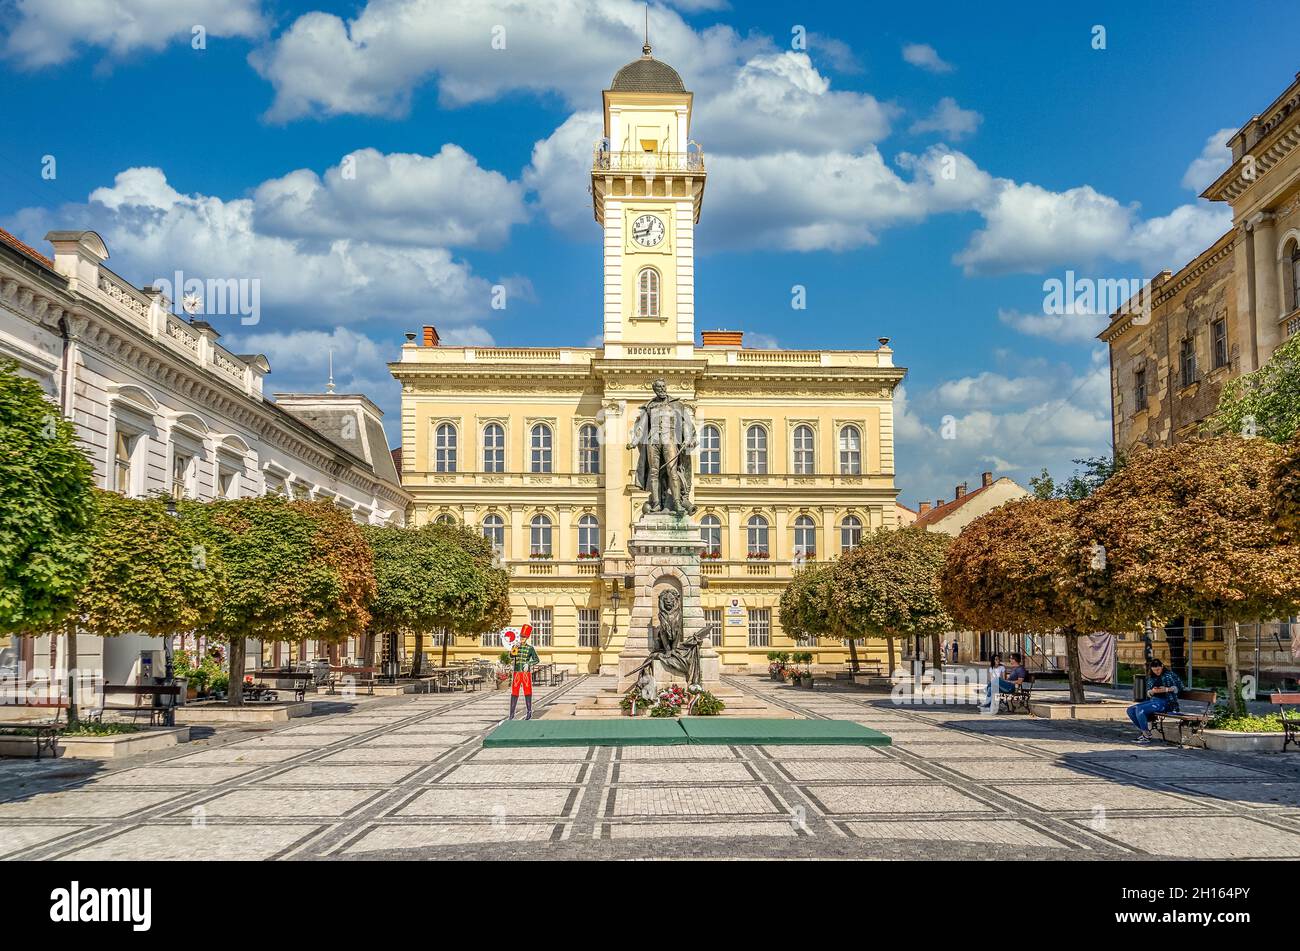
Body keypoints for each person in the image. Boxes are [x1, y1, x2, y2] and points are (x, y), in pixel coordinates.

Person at [1126, 658, 1184, 743]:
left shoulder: (1169, 675)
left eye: (1158, 669)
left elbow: (1180, 687)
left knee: (1140, 710)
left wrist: (1166, 689)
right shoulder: (1152, 677)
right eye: (1154, 670)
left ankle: (1146, 736)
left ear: (1162, 666)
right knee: (1130, 710)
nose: (1156, 672)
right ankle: (1146, 732)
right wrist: (1152, 691)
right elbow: (1148, 692)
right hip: (1153, 701)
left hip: (1166, 702)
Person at [505, 624, 540, 720]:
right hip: (516, 672)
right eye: (521, 636)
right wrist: (514, 649)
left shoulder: (530, 648)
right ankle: (511, 714)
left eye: (524, 637)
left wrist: (528, 663)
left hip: (525, 673)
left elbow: (537, 660)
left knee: (527, 691)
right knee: (514, 692)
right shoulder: (516, 646)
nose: (522, 638)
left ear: (527, 637)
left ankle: (529, 712)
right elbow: (511, 656)